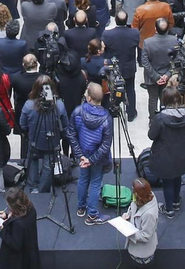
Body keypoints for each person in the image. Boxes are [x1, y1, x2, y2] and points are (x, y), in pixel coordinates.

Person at [67, 81, 112, 224]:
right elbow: (106, 145)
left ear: (90, 98)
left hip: (84, 156)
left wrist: (80, 155)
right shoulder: (107, 118)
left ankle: (81, 208)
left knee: (83, 178)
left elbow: (71, 134)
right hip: (96, 158)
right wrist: (91, 160)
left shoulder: (77, 111)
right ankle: (92, 215)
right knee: (95, 183)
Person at [147, 87, 185, 217]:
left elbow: (151, 135)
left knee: (167, 180)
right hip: (182, 153)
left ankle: (169, 209)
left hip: (165, 154)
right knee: (178, 175)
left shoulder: (160, 118)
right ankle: (176, 201)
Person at [0, 187, 40, 269]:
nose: (7, 205)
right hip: (30, 251)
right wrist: (7, 217)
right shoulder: (31, 209)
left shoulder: (18, 224)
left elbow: (15, 245)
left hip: (18, 260)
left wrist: (2, 229)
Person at [118, 178, 159, 266]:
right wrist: (127, 215)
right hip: (134, 248)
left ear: (139, 194)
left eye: (134, 191)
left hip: (142, 255)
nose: (132, 193)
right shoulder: (141, 198)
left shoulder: (149, 214)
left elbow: (145, 236)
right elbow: (132, 208)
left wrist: (128, 231)